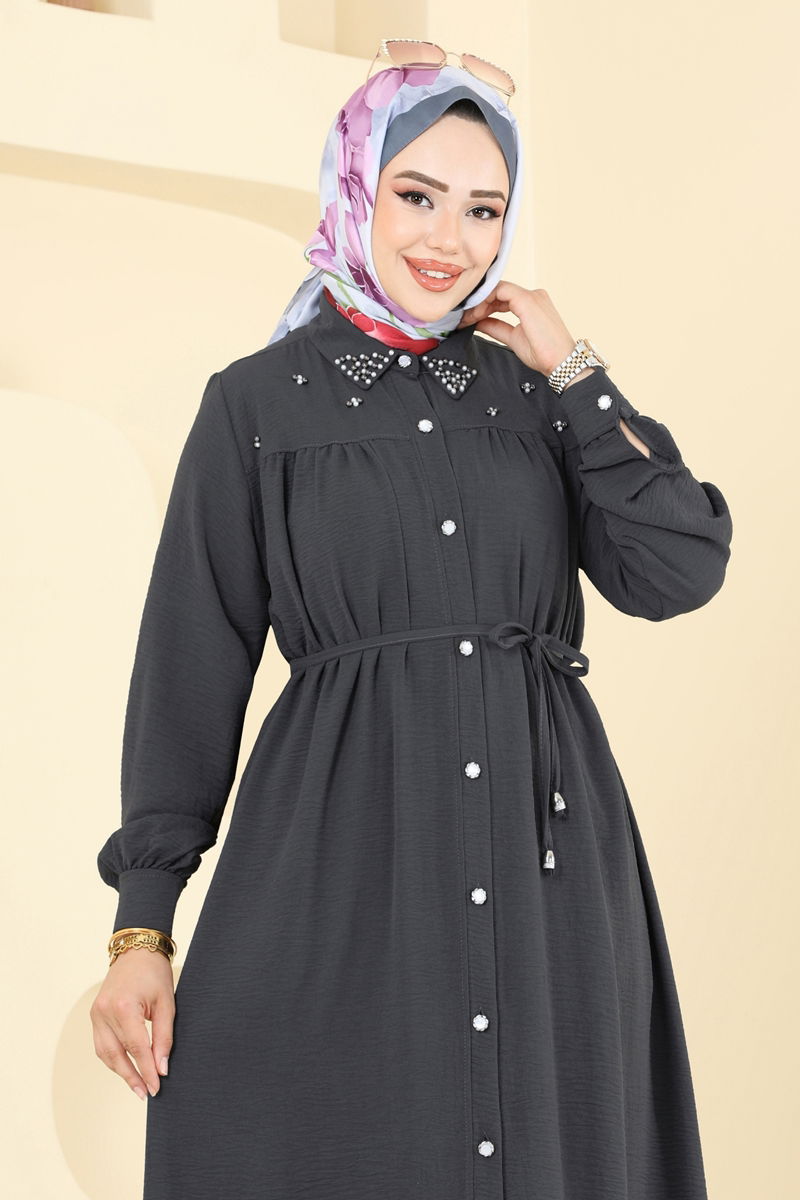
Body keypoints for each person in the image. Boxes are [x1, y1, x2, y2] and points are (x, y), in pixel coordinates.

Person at [90, 44, 733, 1200]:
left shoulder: (536, 395)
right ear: (355, 187)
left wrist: (574, 367)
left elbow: (675, 566)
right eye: (416, 196)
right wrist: (144, 926)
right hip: (341, 857)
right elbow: (191, 660)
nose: (450, 239)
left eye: (483, 209)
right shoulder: (255, 404)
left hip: (545, 868)